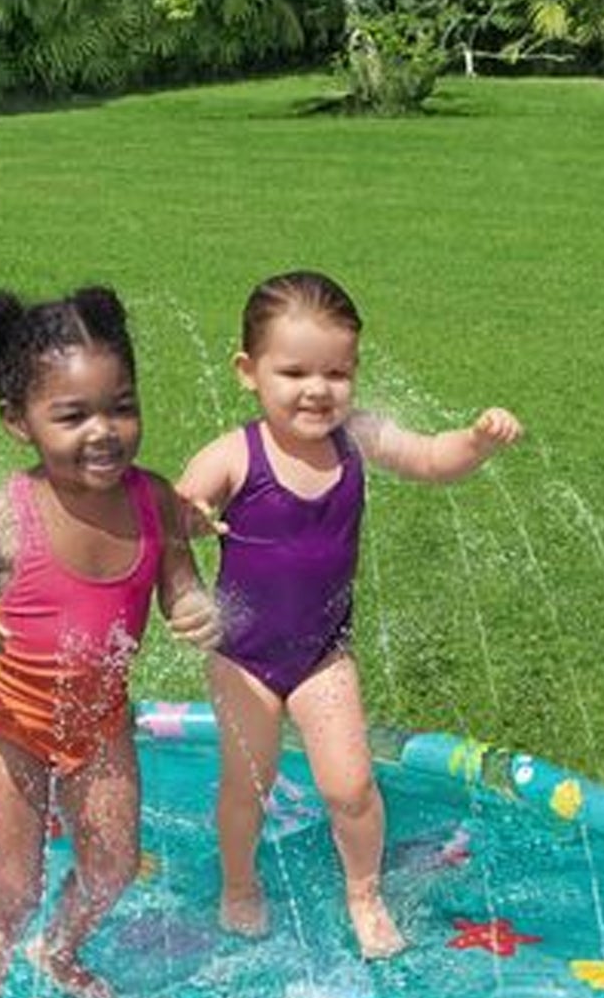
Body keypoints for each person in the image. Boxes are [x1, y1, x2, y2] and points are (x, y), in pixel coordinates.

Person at [0, 287, 221, 998]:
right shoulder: (8, 515)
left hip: (99, 720)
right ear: (20, 421)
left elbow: (177, 577)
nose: (103, 432)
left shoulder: (153, 501)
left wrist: (193, 607)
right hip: (7, 722)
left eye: (120, 407)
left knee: (113, 864)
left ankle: (61, 949)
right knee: (14, 884)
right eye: (73, 416)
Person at [175, 270, 522, 957]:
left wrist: (476, 442)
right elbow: (175, 512)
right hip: (244, 657)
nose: (317, 389)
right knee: (248, 787)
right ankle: (239, 885)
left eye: (336, 372)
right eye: (294, 371)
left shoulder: (356, 438)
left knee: (353, 788)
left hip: (322, 654)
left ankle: (364, 892)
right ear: (248, 372)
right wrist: (191, 514)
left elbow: (427, 457)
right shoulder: (236, 455)